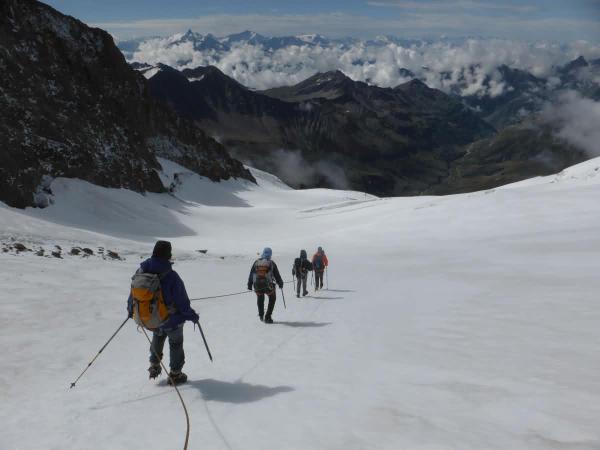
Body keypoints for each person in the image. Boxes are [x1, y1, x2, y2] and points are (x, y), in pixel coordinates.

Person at [127, 240, 199, 385]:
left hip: (151, 318)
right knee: (175, 343)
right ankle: (175, 374)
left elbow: (133, 295)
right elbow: (182, 301)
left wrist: (130, 310)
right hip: (172, 320)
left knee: (158, 336)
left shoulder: (141, 271)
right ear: (168, 254)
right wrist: (192, 315)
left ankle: (154, 365)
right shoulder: (172, 276)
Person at [247, 247, 284, 324]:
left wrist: (249, 284)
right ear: (270, 254)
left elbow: (252, 274)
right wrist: (280, 283)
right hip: (268, 285)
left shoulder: (256, 262)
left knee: (260, 298)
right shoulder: (271, 263)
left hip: (257, 285)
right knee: (272, 298)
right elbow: (276, 275)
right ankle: (268, 317)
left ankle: (261, 315)